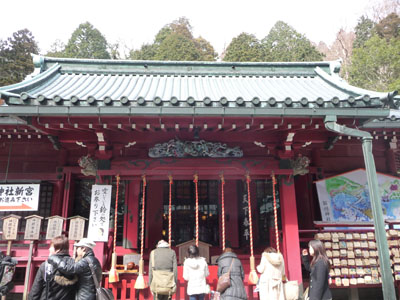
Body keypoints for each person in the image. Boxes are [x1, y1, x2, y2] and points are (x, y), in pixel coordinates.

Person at [29, 235, 77, 300]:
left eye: (51, 247)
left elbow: (35, 291)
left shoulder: (46, 265)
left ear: (58, 249)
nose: (49, 249)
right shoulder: (75, 265)